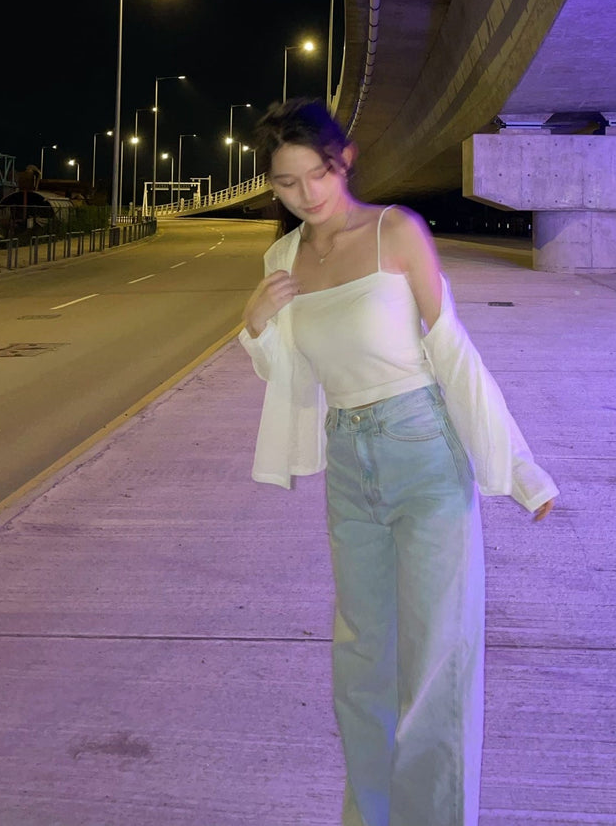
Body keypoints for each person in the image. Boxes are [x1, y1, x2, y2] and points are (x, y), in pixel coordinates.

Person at [239, 99, 558, 826]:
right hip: (350, 463)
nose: (304, 194)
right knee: (360, 663)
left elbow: (453, 353)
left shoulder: (396, 231)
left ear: (343, 161)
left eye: (316, 174)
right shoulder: (281, 262)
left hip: (424, 453)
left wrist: (517, 469)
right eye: (285, 183)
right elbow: (290, 374)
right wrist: (255, 324)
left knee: (437, 664)